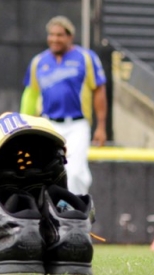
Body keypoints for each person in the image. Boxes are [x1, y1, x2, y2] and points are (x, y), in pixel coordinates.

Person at [20, 16, 107, 195]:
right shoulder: (39, 61)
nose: (54, 39)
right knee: (47, 171)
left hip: (77, 124)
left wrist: (101, 126)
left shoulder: (85, 58)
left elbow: (99, 90)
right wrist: (24, 125)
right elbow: (31, 94)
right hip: (48, 124)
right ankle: (55, 208)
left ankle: (75, 207)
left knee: (74, 173)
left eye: (59, 35)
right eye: (51, 35)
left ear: (70, 37)